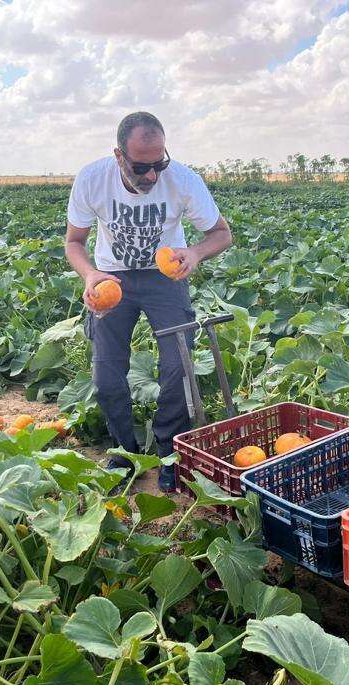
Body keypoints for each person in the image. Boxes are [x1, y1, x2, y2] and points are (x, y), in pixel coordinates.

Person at [64, 111, 232, 492]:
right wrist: (90, 275)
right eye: (142, 167)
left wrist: (195, 253)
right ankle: (124, 453)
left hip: (165, 276)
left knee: (178, 366)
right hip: (111, 277)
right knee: (106, 374)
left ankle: (169, 451)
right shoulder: (92, 179)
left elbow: (222, 234)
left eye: (160, 164)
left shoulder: (183, 180)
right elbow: (74, 242)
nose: (153, 176)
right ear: (119, 156)